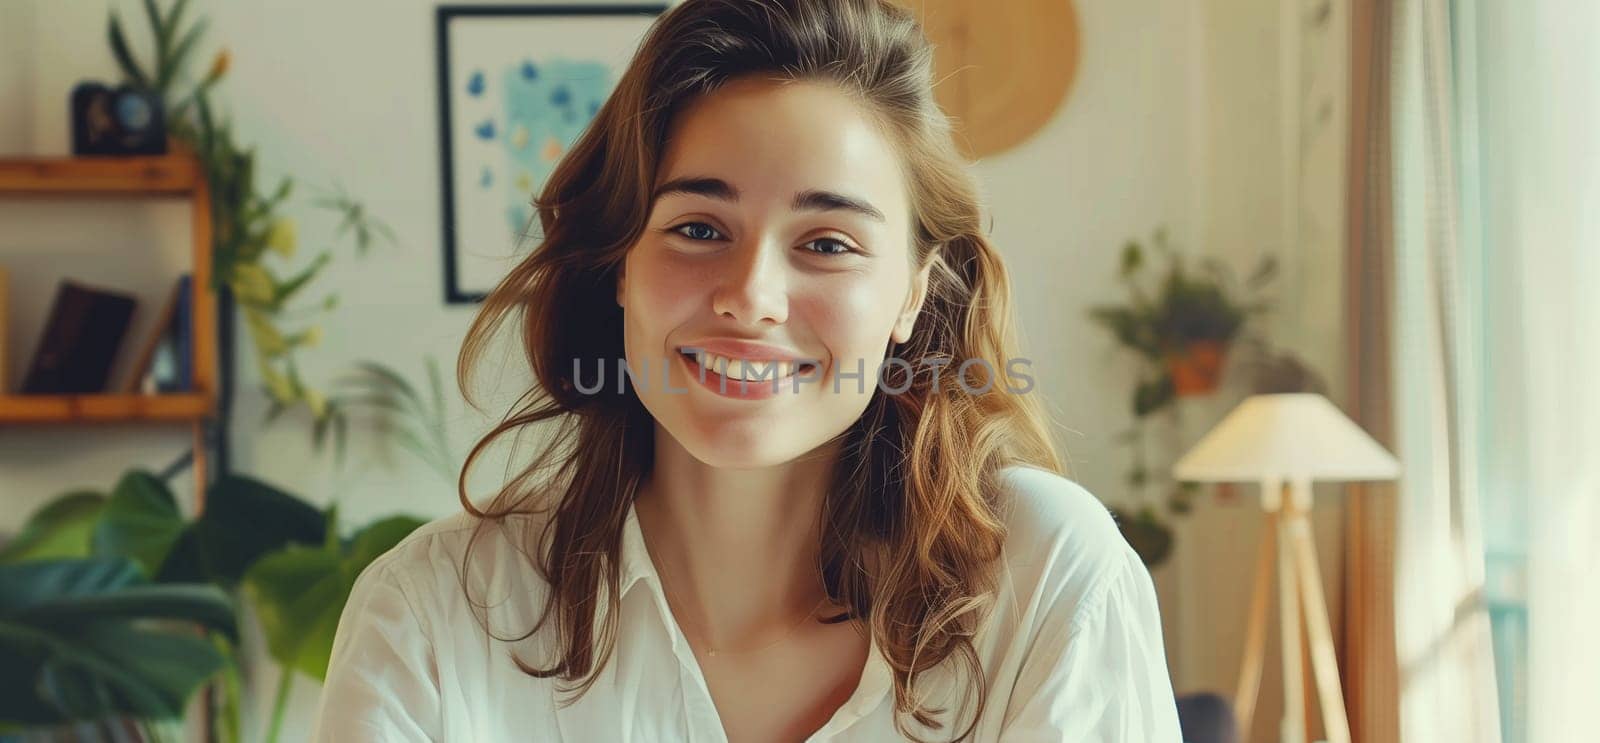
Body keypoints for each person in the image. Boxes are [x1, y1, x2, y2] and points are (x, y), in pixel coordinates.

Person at [310, 0, 1181, 740]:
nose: (752, 296)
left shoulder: (1049, 579)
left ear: (915, 294)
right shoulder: (428, 619)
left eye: (828, 243)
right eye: (698, 228)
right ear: (621, 261)